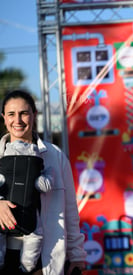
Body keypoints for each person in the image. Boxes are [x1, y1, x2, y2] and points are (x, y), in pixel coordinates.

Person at [0, 90, 86, 274]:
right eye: (11, 114)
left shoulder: (55, 156)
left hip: (45, 257)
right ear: (3, 118)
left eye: (24, 113)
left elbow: (70, 210)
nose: (18, 120)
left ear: (34, 114)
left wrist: (77, 255)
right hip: (4, 255)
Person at [0, 139, 53, 273]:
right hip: (27, 217)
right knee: (35, 236)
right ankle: (26, 266)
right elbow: (45, 186)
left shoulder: (54, 154)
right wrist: (48, 174)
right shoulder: (37, 167)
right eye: (11, 115)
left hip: (12, 220)